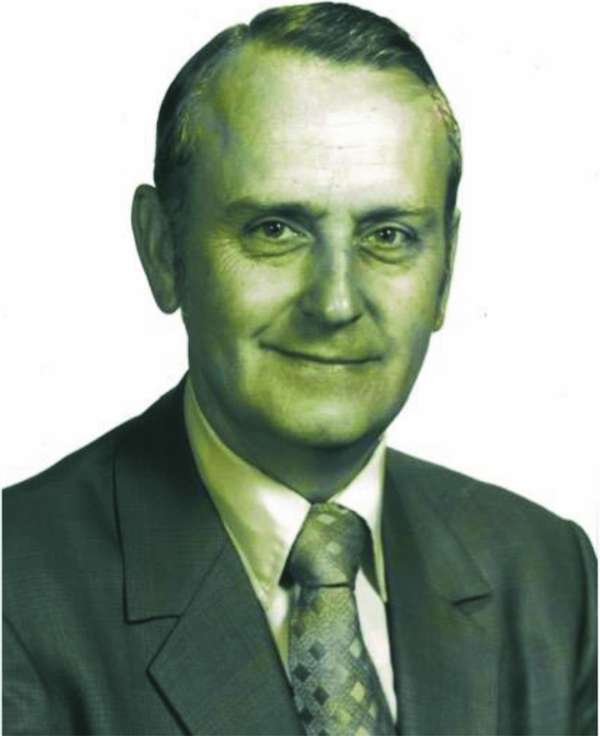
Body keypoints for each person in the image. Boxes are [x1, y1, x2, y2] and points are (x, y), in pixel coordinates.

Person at [3, 3, 596, 735]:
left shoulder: (550, 574)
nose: (336, 302)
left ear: (444, 274)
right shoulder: (15, 592)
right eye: (275, 230)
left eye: (388, 235)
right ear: (163, 250)